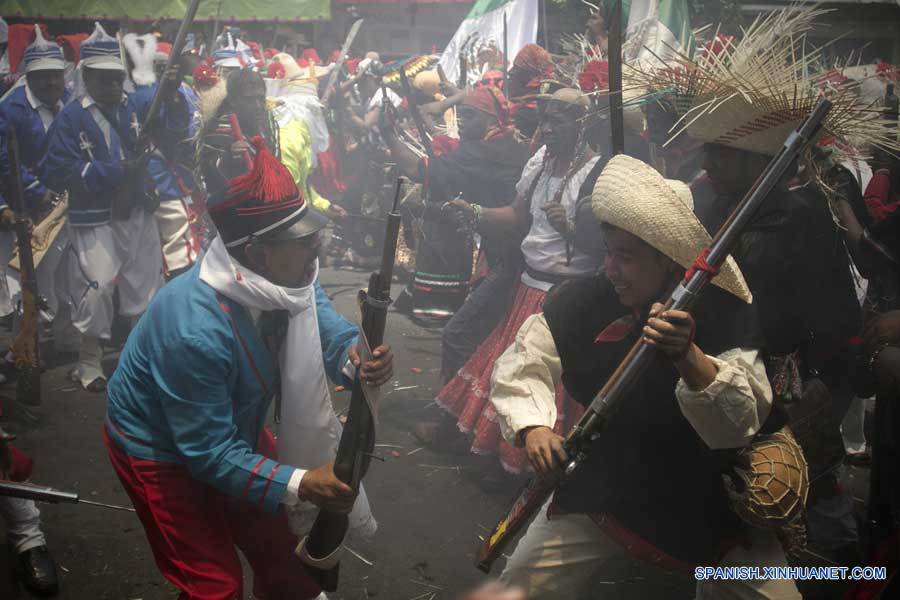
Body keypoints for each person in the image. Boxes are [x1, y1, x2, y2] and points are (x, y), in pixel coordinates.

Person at [493, 154, 798, 599]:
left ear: (670, 263)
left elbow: (739, 423)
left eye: (627, 258)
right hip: (609, 476)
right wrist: (534, 426)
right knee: (520, 585)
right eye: (609, 253)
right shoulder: (584, 299)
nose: (611, 269)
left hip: (703, 489)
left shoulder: (722, 311)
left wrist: (687, 356)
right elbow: (524, 363)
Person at [104, 135, 392, 600]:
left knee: (283, 553)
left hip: (228, 427)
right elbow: (206, 453)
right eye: (301, 241)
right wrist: (302, 481)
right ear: (256, 254)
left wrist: (354, 358)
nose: (316, 248)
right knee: (214, 583)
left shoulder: (287, 279)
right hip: (158, 446)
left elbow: (323, 323)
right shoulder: (194, 329)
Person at [434, 89, 601, 471]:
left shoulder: (598, 172)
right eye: (544, 121)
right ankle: (499, 457)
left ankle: (538, 468)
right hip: (525, 288)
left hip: (566, 297)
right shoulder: (540, 161)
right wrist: (473, 212)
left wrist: (572, 229)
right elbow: (516, 215)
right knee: (510, 373)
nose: (546, 130)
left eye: (556, 122)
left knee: (549, 384)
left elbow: (607, 244)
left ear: (581, 124)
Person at [40, 23, 186, 391]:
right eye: (102, 78)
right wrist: (112, 172)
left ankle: (139, 356)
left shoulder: (137, 104)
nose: (110, 86)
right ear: (86, 76)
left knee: (145, 285)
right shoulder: (70, 117)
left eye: (115, 78)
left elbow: (173, 129)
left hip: (137, 209)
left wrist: (169, 92)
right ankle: (88, 363)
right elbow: (56, 169)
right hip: (94, 215)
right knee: (97, 289)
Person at [0, 25, 74, 364]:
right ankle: (21, 353)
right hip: (23, 212)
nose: (52, 83)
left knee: (64, 279)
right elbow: (4, 160)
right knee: (25, 287)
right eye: (43, 77)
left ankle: (61, 344)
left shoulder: (68, 104)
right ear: (29, 76)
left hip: (61, 209)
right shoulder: (10, 109)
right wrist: (36, 191)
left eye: (56, 76)